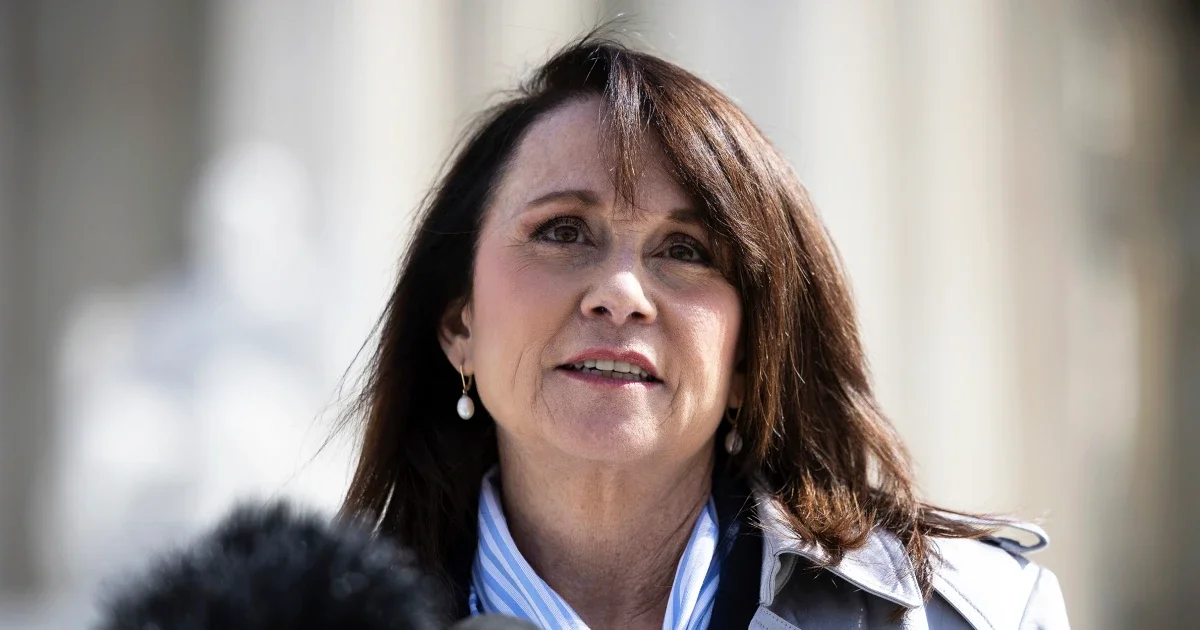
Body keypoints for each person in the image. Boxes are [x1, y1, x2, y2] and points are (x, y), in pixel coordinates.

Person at [339, 34, 1071, 630]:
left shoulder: (984, 616)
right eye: (562, 231)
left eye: (686, 250)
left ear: (751, 354)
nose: (620, 294)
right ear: (458, 323)